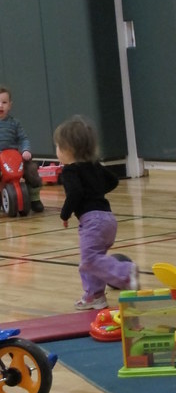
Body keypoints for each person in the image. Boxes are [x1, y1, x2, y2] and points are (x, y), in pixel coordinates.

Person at [54, 115, 138, 310]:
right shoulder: (94, 166)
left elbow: (75, 193)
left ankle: (125, 272)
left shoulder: (70, 171)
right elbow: (113, 180)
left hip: (93, 221)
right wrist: (96, 193)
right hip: (108, 219)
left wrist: (64, 214)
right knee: (90, 260)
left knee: (89, 260)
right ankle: (95, 296)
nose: (56, 151)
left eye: (58, 146)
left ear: (68, 149)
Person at [0, 84, 44, 216]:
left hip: (14, 158)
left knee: (31, 170)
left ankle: (34, 198)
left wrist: (26, 150)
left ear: (10, 105)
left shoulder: (14, 123)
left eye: (4, 102)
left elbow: (23, 139)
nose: (0, 106)